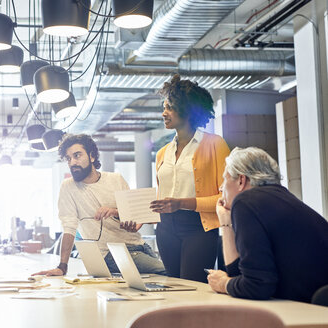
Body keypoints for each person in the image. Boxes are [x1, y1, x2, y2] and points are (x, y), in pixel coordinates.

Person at [33, 134, 165, 276]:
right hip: (111, 253)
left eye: (77, 156)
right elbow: (69, 228)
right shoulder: (68, 187)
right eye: (69, 158)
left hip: (140, 245)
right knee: (167, 272)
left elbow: (131, 217)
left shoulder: (116, 179)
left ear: (92, 156)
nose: (72, 162)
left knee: (169, 277)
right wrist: (62, 266)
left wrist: (117, 213)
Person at [207, 147, 328, 303]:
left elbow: (256, 286)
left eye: (225, 179)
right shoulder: (280, 197)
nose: (221, 188)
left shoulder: (246, 201)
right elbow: (240, 277)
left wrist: (223, 284)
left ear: (241, 180)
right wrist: (225, 222)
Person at [149, 74, 230, 283]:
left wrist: (181, 203)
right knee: (174, 286)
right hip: (165, 228)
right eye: (164, 107)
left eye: (169, 107)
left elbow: (225, 198)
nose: (163, 113)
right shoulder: (162, 153)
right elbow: (162, 199)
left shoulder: (215, 144)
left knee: (194, 288)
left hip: (198, 227)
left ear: (187, 110)